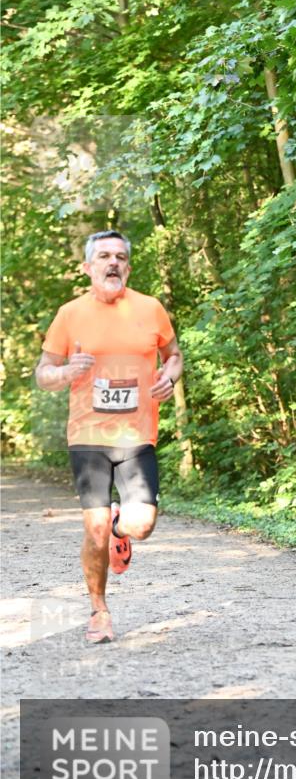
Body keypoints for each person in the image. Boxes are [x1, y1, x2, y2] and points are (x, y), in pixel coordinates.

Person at [35, 230, 184, 643]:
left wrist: (169, 377)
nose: (112, 262)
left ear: (128, 267)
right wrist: (66, 372)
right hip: (87, 435)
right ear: (88, 267)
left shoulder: (150, 309)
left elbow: (173, 356)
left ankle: (122, 529)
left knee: (142, 525)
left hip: (137, 435)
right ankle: (99, 611)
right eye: (103, 256)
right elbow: (43, 373)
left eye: (120, 256)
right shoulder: (69, 314)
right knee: (94, 529)